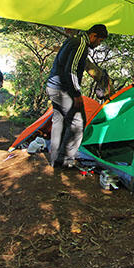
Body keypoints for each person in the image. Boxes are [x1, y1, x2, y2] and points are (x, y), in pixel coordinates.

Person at [45, 24, 108, 168]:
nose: (98, 44)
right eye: (99, 41)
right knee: (78, 123)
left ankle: (56, 159)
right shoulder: (81, 43)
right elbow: (71, 70)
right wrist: (76, 94)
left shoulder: (71, 41)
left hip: (53, 86)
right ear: (93, 36)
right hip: (63, 89)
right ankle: (66, 159)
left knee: (60, 121)